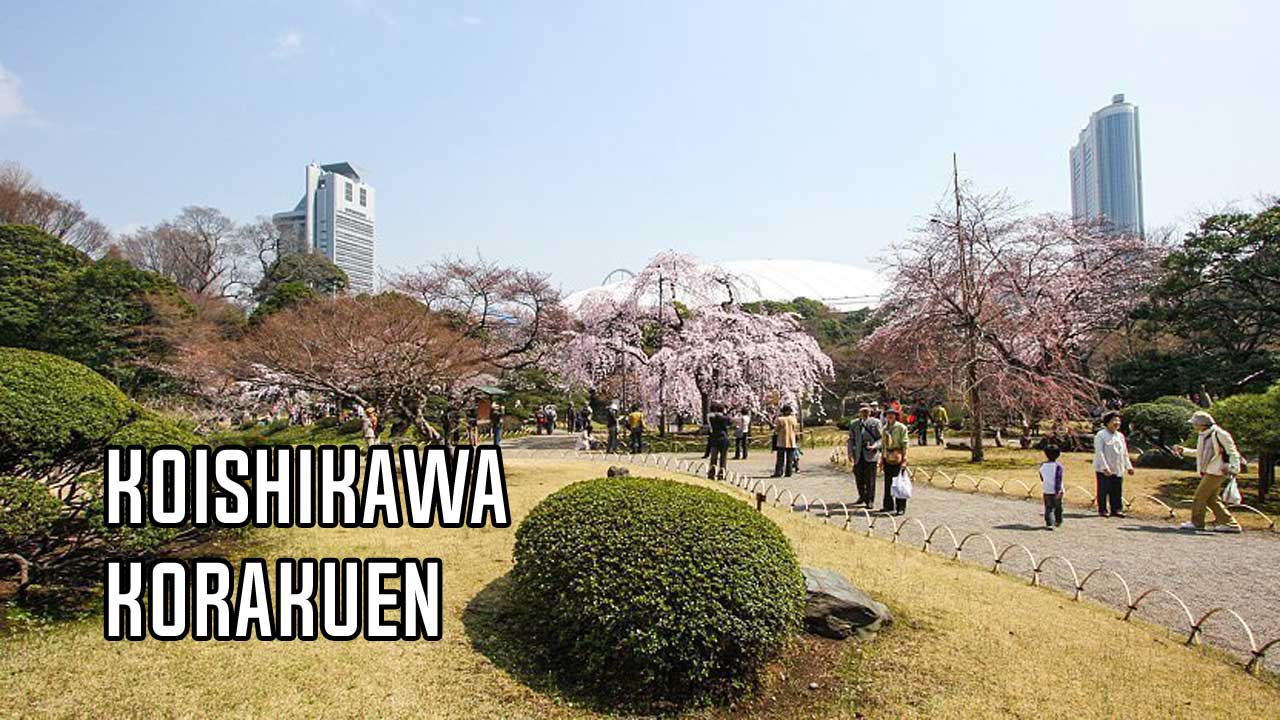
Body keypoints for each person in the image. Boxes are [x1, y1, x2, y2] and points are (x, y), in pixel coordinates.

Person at [1175, 411, 1243, 533]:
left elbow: (1232, 452)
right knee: (1212, 499)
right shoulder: (1203, 435)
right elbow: (1201, 453)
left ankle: (1197, 523)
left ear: (1202, 424)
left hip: (1218, 471)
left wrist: (1234, 468)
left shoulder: (1220, 434)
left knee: (1199, 496)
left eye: (1195, 424)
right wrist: (1184, 451)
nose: (1194, 426)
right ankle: (1229, 523)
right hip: (1210, 470)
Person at [1092, 411, 1133, 518]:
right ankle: (1103, 509)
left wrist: (1128, 466)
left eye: (1118, 420)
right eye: (1114, 420)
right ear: (1107, 422)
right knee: (1103, 489)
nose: (1117, 423)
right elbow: (1099, 452)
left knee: (1117, 489)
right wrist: (1105, 467)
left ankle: (1117, 509)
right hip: (1104, 468)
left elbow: (1124, 452)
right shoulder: (1101, 435)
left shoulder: (1120, 436)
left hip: (1117, 467)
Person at [847, 405, 882, 508]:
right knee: (859, 477)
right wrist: (850, 452)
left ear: (870, 412)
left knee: (870, 479)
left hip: (871, 454)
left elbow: (881, 439)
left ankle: (870, 500)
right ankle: (862, 496)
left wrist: (874, 446)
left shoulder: (875, 423)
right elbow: (851, 439)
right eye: (862, 411)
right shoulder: (854, 424)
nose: (865, 413)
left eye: (866, 411)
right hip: (858, 454)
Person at [880, 407, 910, 515]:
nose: (890, 416)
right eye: (888, 414)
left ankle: (900, 507)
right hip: (887, 456)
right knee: (888, 482)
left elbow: (905, 444)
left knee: (899, 482)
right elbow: (883, 445)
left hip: (898, 456)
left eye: (892, 414)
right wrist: (882, 459)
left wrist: (905, 459)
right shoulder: (884, 428)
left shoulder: (901, 428)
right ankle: (888, 505)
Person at [1039, 445, 1065, 530]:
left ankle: (1049, 523)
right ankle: (1058, 520)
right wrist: (1057, 490)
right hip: (1057, 490)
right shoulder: (1058, 466)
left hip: (1046, 489)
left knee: (1048, 507)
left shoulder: (1043, 465)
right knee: (1058, 507)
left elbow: (1041, 476)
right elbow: (1058, 479)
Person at [771, 405, 800, 478]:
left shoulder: (780, 419)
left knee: (780, 459)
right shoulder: (793, 419)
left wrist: (774, 431)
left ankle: (779, 472)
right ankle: (788, 472)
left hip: (782, 441)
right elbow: (795, 429)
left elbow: (777, 430)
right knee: (789, 459)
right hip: (791, 441)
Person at [706, 402, 732, 479]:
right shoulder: (725, 418)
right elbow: (730, 422)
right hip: (723, 438)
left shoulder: (712, 418)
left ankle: (712, 472)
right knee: (723, 457)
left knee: (713, 456)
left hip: (714, 438)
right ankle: (721, 473)